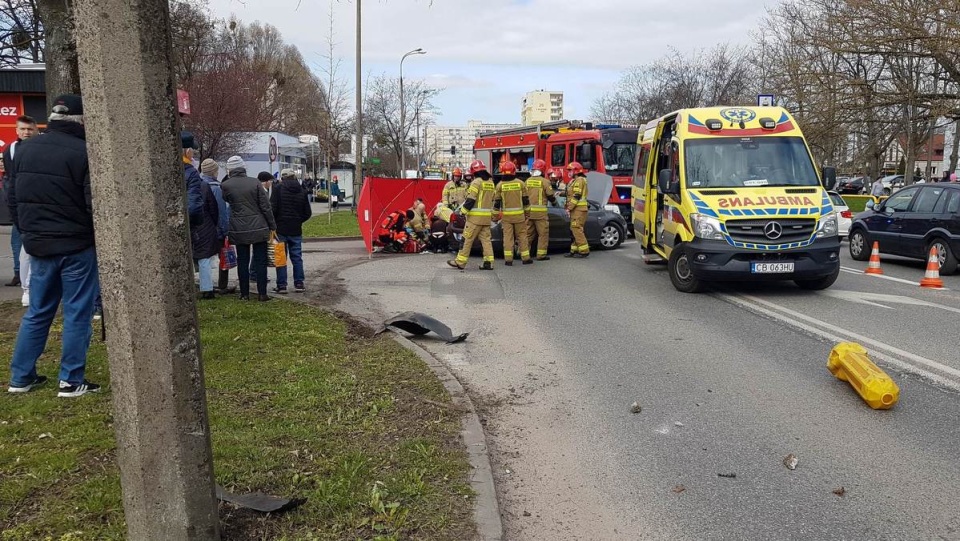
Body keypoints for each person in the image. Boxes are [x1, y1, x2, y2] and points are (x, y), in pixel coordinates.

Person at [7, 94, 101, 397]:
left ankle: (21, 377)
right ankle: (71, 380)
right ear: (82, 120)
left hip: (38, 244)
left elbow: (13, 197)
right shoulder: (84, 152)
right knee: (77, 312)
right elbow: (93, 204)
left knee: (38, 311)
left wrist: (27, 232)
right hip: (76, 245)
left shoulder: (24, 150)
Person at [222, 157, 277, 301]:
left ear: (230, 170)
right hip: (258, 226)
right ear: (243, 167)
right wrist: (272, 225)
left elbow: (227, 200)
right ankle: (262, 293)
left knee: (242, 261)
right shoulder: (255, 183)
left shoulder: (226, 185)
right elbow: (265, 206)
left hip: (238, 227)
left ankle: (244, 294)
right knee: (260, 261)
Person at [4, 115, 39, 291]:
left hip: (39, 203)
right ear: (17, 130)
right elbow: (10, 179)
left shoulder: (43, 148)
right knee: (18, 240)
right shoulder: (10, 150)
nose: (26, 132)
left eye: (29, 129)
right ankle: (20, 275)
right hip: (20, 204)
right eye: (23, 129)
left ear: (36, 130)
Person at [448, 160, 496, 270]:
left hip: (474, 219)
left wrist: (462, 212)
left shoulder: (476, 182)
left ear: (474, 172)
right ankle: (488, 263)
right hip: (486, 218)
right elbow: (493, 199)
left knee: (466, 239)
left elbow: (470, 200)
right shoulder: (490, 182)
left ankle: (460, 262)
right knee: (486, 241)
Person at [270, 168, 312, 293]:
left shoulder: (278, 189)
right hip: (296, 229)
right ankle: (299, 283)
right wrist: (298, 220)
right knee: (297, 257)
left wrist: (275, 223)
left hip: (281, 229)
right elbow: (307, 213)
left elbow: (273, 209)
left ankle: (282, 285)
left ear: (282, 178)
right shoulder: (302, 191)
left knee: (281, 257)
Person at [200, 159, 235, 295]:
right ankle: (222, 285)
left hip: (203, 228)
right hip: (216, 229)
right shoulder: (216, 188)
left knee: (205, 259)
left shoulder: (198, 185)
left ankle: (206, 285)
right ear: (214, 171)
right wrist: (225, 230)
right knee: (224, 256)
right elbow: (221, 211)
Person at [493, 161, 531, 266]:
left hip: (507, 217)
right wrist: (527, 213)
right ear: (514, 171)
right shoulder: (520, 183)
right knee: (522, 236)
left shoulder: (500, 185)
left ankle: (508, 260)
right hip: (519, 216)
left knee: (508, 238)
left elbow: (496, 203)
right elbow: (526, 200)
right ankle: (526, 258)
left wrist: (495, 216)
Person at [526, 159, 558, 261]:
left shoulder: (527, 181)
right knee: (542, 234)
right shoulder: (545, 181)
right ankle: (541, 255)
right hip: (540, 214)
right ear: (543, 169)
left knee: (528, 234)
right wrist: (554, 203)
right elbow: (550, 196)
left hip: (529, 212)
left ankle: (524, 254)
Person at [564, 161, 590, 258]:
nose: (568, 172)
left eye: (570, 170)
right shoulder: (574, 181)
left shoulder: (579, 180)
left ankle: (584, 251)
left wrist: (569, 208)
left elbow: (577, 196)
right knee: (575, 229)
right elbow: (571, 193)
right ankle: (573, 250)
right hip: (577, 209)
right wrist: (561, 194)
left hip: (579, 209)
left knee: (576, 229)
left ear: (576, 171)